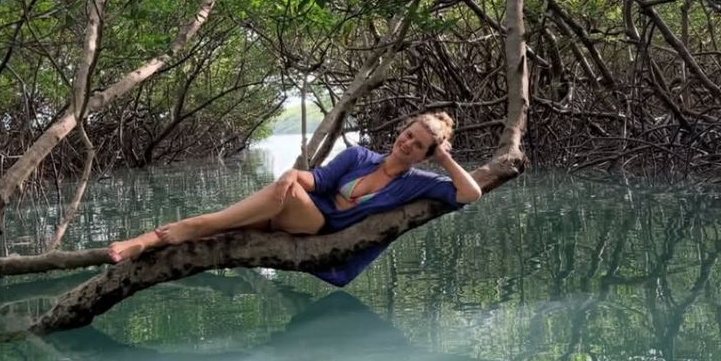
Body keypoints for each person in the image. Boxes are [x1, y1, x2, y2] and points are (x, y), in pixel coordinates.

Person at [106, 110, 482, 286]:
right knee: (248, 215)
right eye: (408, 134)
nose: (407, 143)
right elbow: (317, 181)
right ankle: (144, 242)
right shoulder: (358, 156)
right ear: (401, 130)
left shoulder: (418, 182)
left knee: (231, 218)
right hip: (302, 213)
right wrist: (290, 174)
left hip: (320, 228)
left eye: (419, 145)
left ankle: (188, 227)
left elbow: (470, 193)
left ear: (426, 155)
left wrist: (445, 159)